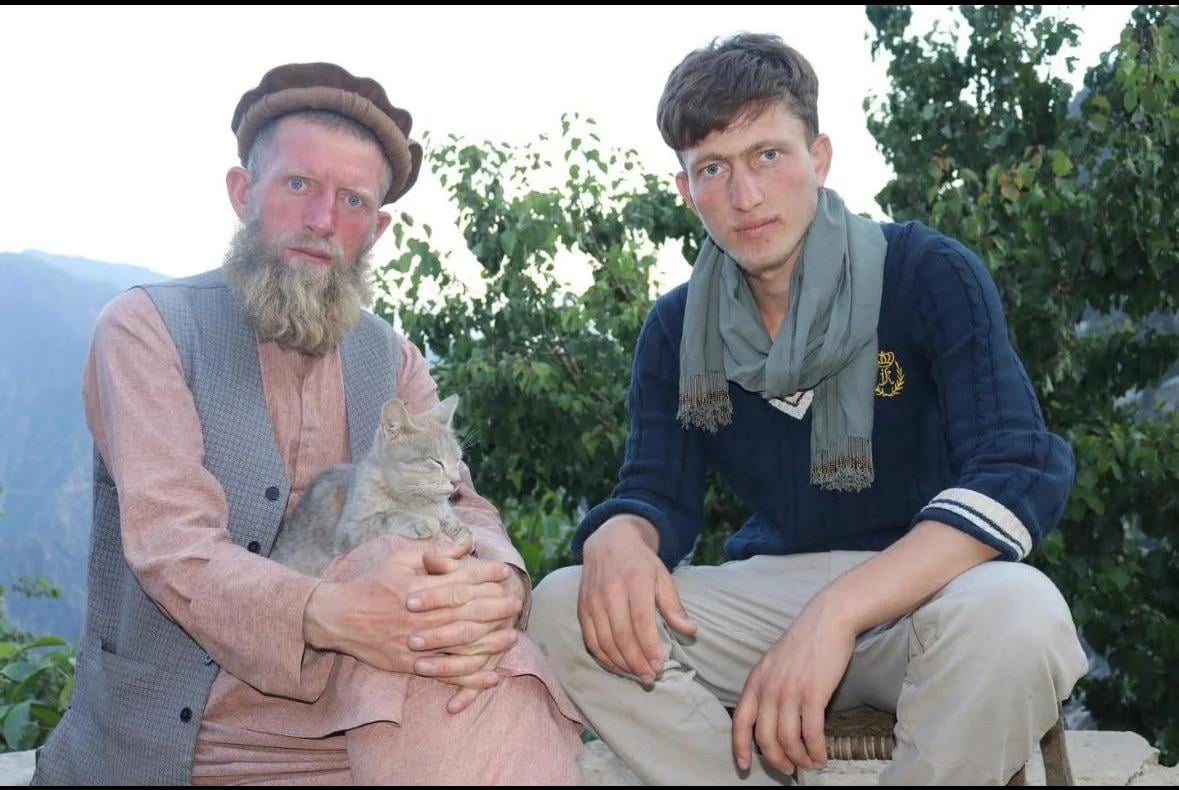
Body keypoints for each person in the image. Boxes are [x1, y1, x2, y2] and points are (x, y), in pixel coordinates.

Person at [529, 33, 1088, 785]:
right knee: (564, 606)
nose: (745, 196)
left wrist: (837, 613)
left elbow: (1013, 469)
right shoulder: (675, 329)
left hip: (926, 593)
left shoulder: (924, 273)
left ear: (818, 157)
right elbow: (657, 494)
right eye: (713, 169)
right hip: (768, 596)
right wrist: (620, 538)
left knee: (1023, 617)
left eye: (767, 155)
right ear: (684, 189)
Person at [34, 62, 580, 786]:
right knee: (402, 577)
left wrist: (499, 586)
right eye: (299, 186)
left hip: (368, 704)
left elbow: (463, 503)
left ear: (377, 227)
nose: (323, 221)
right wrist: (334, 613)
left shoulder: (393, 359)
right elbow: (172, 544)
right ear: (242, 193)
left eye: (352, 200)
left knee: (485, 650)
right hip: (189, 733)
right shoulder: (148, 330)